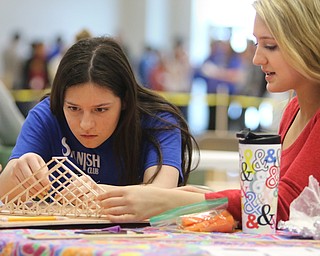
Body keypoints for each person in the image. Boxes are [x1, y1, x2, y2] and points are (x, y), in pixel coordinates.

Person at [96, 0, 320, 225]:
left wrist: (171, 200)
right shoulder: (293, 110)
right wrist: (190, 196)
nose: (257, 58)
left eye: (270, 45)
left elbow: (282, 205)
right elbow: (269, 200)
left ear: (306, 43)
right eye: (256, 44)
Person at [0, 37, 198, 200]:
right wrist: (19, 171)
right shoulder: (46, 115)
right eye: (73, 108)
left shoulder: (159, 122)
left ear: (126, 100)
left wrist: (98, 193)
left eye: (101, 110)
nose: (86, 124)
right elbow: (3, 194)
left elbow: (161, 195)